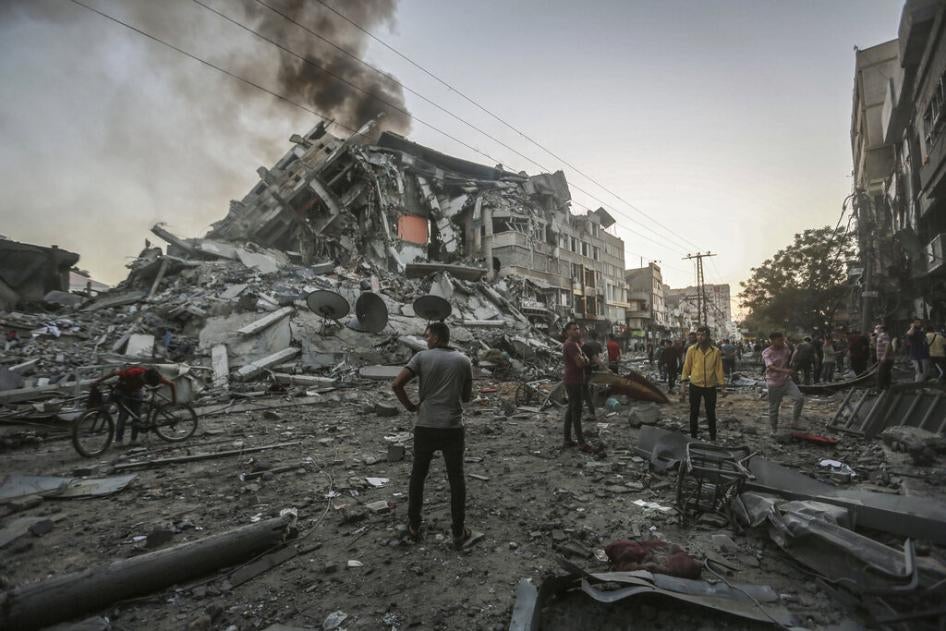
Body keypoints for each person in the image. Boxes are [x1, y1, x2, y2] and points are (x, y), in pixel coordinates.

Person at [391, 322, 474, 549]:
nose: (426, 340)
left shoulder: (421, 358)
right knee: (456, 478)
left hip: (425, 425)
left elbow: (397, 384)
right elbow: (466, 398)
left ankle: (414, 526)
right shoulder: (464, 361)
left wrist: (410, 406)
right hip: (452, 427)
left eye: (428, 336)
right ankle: (458, 532)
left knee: (418, 475)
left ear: (437, 338)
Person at [92, 365, 176, 444]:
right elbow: (114, 373)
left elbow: (172, 384)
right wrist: (98, 381)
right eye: (145, 381)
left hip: (137, 392)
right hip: (124, 392)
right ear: (144, 375)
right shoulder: (131, 372)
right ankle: (119, 441)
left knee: (136, 416)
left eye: (147, 383)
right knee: (123, 416)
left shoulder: (154, 376)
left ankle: (133, 440)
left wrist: (174, 401)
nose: (145, 382)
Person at [680, 326, 725, 441]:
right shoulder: (691, 350)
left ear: (708, 336)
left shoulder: (715, 351)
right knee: (694, 412)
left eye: (703, 335)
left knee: (711, 413)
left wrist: (722, 386)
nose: (700, 337)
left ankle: (713, 438)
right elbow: (686, 367)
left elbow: (719, 369)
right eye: (698, 335)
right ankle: (693, 437)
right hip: (695, 385)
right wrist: (683, 385)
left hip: (710, 386)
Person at [762, 332, 805, 435]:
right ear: (772, 341)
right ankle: (774, 429)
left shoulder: (785, 347)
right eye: (779, 340)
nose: (782, 342)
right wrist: (785, 370)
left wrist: (792, 363)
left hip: (786, 380)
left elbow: (790, 355)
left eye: (783, 339)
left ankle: (795, 422)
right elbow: (770, 366)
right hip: (774, 382)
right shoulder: (767, 352)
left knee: (799, 398)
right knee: (774, 407)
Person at [581, 330, 603, 420]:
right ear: (596, 336)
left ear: (589, 336)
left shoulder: (585, 346)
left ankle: (586, 408)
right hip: (595, 368)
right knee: (594, 385)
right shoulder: (598, 345)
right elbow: (599, 357)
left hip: (586, 369)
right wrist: (603, 367)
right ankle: (595, 403)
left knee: (584, 390)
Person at [875, 324, 894, 390]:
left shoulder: (884, 335)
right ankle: (886, 388)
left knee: (881, 374)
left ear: (881, 329)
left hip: (886, 358)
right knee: (886, 373)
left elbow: (887, 345)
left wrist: (884, 356)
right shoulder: (880, 336)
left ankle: (880, 389)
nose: (876, 330)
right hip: (882, 358)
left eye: (877, 328)